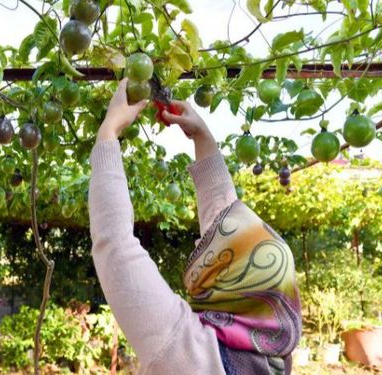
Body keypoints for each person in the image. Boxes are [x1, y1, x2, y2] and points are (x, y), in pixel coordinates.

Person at [88, 79, 302, 374]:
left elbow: (114, 244)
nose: (203, 240)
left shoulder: (186, 353)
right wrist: (202, 136)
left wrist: (108, 132)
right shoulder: (271, 355)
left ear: (231, 284)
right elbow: (221, 209)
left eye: (218, 246)